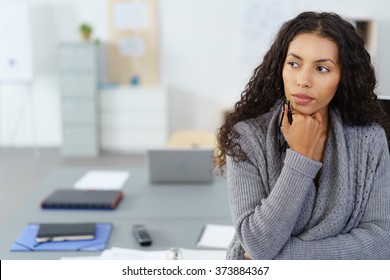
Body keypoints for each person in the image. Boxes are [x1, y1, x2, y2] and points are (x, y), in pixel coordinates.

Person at [214, 11, 390, 259]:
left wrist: (281, 257)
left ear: (344, 77)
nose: (303, 80)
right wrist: (301, 156)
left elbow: (382, 241)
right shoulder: (246, 137)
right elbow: (258, 243)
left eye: (321, 68)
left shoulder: (369, 139)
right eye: (294, 64)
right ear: (280, 68)